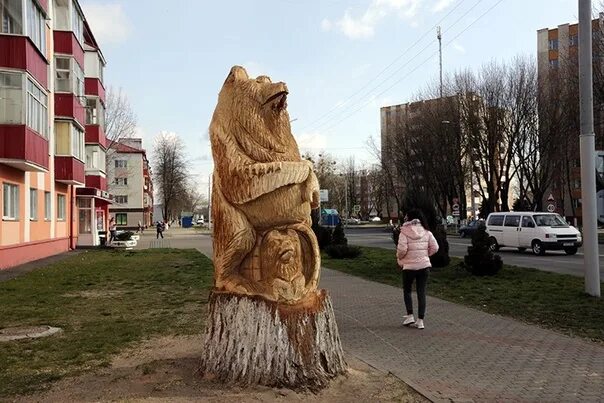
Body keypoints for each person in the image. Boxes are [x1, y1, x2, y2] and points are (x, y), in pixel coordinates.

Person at [396, 209, 439, 330]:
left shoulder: (404, 232)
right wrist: (425, 256)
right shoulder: (426, 231)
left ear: (409, 217)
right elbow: (435, 247)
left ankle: (410, 315)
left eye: (406, 215)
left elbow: (402, 250)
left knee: (407, 291)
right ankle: (420, 320)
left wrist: (400, 258)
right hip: (424, 266)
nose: (404, 216)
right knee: (421, 292)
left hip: (409, 267)